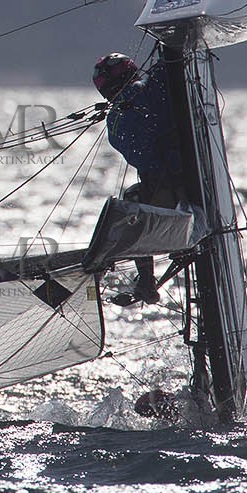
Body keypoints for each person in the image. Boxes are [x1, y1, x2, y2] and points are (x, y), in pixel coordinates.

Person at [92, 52, 189, 306]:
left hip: (163, 194)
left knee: (132, 200)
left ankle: (146, 278)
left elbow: (141, 157)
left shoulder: (113, 122)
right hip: (191, 183)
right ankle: (146, 280)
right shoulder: (154, 86)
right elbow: (168, 64)